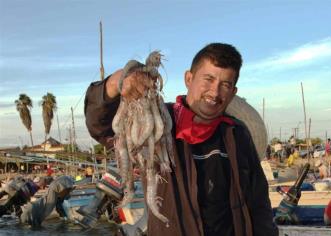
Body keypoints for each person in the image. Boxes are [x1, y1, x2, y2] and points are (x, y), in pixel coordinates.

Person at [84, 43, 278, 235]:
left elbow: (258, 203)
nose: (215, 92)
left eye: (225, 85)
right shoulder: (157, 120)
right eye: (208, 79)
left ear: (233, 92)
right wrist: (118, 81)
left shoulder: (236, 133)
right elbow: (99, 125)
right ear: (189, 78)